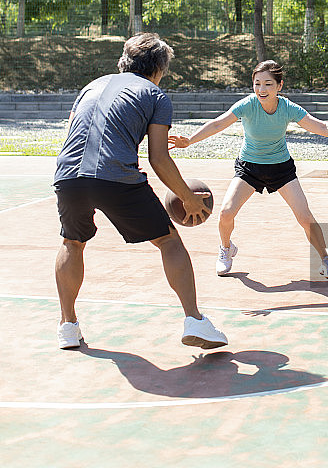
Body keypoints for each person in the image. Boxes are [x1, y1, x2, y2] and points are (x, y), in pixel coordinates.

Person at [53, 33, 227, 351]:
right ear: (159, 68)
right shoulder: (155, 95)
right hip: (115, 176)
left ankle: (67, 326)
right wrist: (188, 198)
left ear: (124, 61)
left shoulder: (91, 86)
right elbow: (158, 157)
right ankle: (194, 320)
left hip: (67, 176)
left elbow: (70, 134)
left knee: (72, 243)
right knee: (168, 241)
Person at [170, 60, 328, 279]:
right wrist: (190, 141)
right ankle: (226, 249)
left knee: (305, 217)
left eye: (268, 84)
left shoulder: (287, 108)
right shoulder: (247, 105)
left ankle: (326, 260)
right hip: (249, 168)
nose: (261, 89)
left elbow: (321, 126)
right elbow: (217, 124)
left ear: (279, 86)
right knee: (225, 213)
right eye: (257, 83)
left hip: (281, 168)